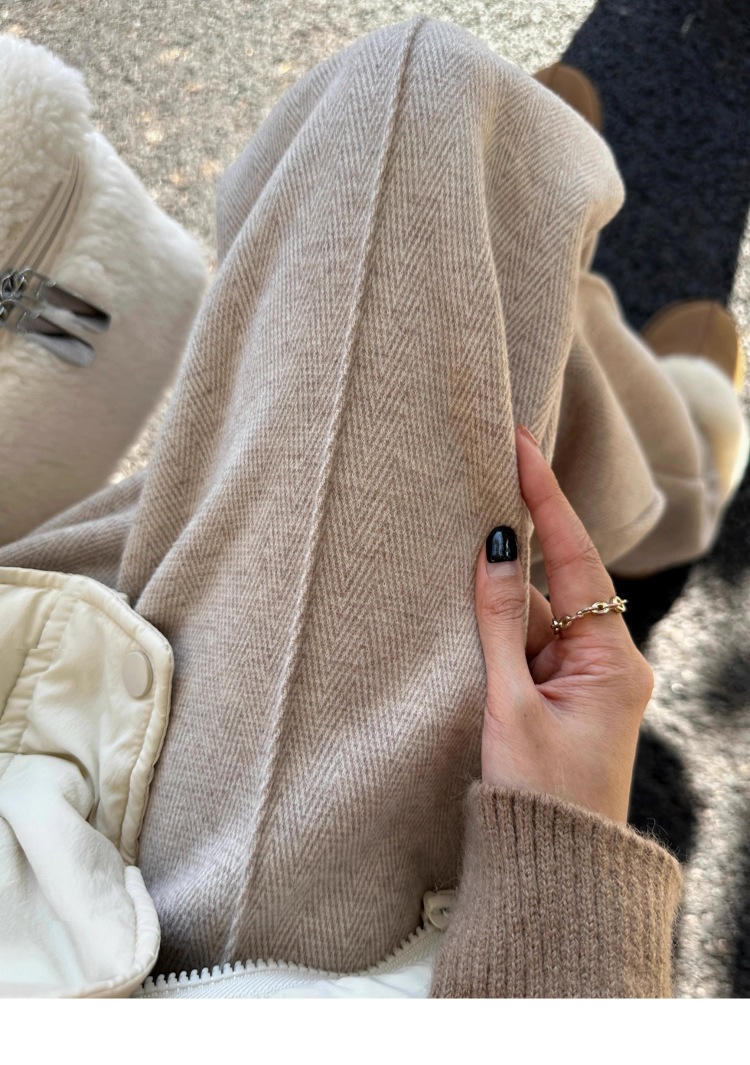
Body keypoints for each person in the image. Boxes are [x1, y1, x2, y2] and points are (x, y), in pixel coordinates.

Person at [0, 18, 747, 997]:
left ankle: (554, 300)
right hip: (217, 958)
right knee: (414, 120)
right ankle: (638, 439)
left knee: (427, 248)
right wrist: (566, 876)